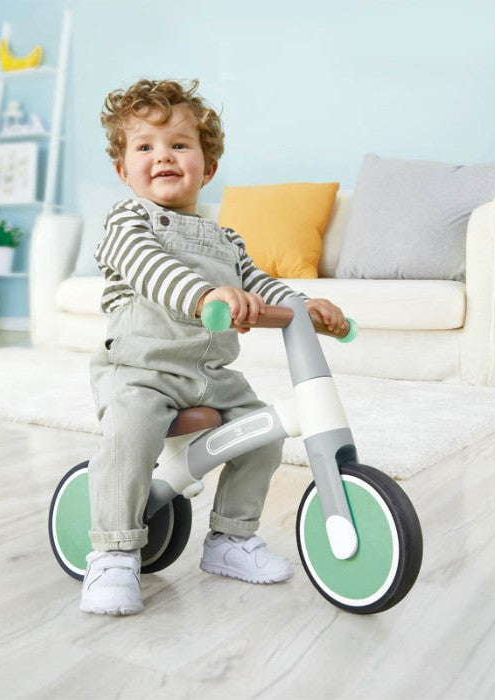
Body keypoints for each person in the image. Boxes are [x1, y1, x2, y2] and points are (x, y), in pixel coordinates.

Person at [81, 78, 346, 616]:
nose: (164, 157)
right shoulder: (126, 221)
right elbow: (152, 269)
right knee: (129, 429)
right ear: (123, 170)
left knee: (263, 431)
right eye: (146, 147)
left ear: (208, 165)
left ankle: (230, 538)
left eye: (180, 145)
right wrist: (205, 296)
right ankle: (111, 552)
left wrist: (302, 306)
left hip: (212, 374)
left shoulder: (226, 240)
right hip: (140, 369)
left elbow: (258, 281)